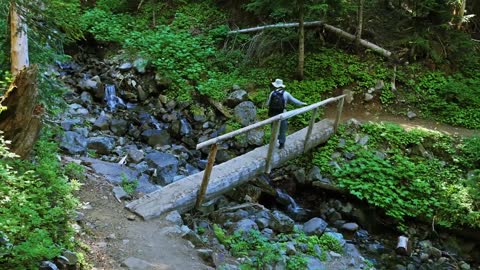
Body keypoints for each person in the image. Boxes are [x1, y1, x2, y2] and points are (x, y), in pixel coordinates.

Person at [267, 78, 307, 149]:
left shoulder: (272, 93)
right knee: (283, 129)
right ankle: (281, 144)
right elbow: (295, 101)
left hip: (273, 114)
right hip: (283, 114)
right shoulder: (286, 94)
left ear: (275, 85)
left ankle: (273, 143)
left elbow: (268, 104)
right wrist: (302, 103)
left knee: (273, 129)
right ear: (282, 85)